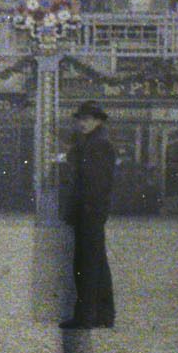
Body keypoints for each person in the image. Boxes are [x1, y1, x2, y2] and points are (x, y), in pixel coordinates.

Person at [61, 101, 116, 329]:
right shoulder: (92, 143)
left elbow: (96, 183)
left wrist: (86, 209)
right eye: (80, 119)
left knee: (86, 264)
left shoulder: (98, 145)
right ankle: (103, 314)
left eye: (88, 119)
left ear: (99, 121)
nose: (82, 123)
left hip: (88, 211)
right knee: (96, 262)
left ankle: (85, 316)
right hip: (90, 211)